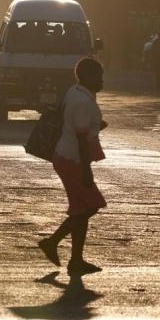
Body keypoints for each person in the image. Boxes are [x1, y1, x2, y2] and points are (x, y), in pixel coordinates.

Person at [38, 58, 108, 276]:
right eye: (98, 76)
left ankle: (74, 258)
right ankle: (54, 243)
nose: (102, 81)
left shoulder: (75, 93)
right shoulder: (83, 101)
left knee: (82, 209)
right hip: (73, 160)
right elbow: (80, 138)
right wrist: (87, 171)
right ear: (88, 77)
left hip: (67, 157)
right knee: (90, 206)